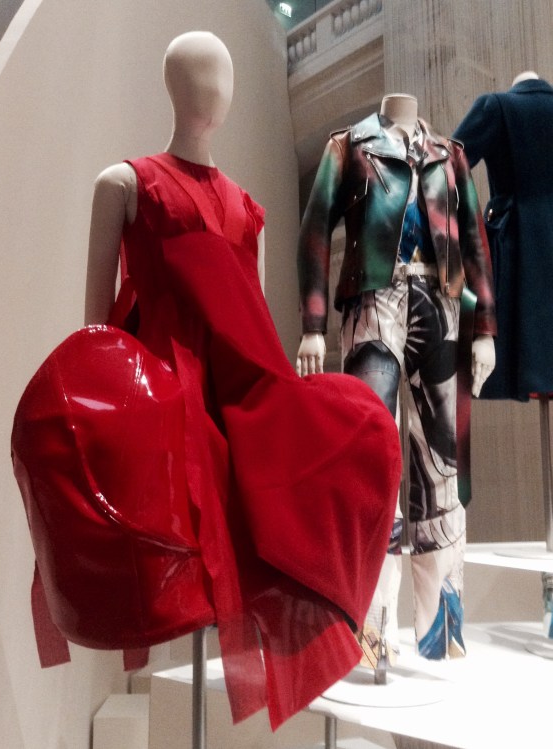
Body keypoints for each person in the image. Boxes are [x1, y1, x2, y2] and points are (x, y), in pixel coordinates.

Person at [84, 32, 401, 727]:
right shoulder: (126, 184)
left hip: (239, 397)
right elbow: (94, 333)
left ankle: (352, 617)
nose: (214, 88)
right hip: (161, 394)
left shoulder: (246, 207)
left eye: (221, 76)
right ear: (173, 85)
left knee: (364, 427)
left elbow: (252, 321)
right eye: (201, 74)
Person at [297, 93, 496, 664]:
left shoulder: (448, 155)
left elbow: (474, 242)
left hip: (442, 306)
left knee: (441, 465)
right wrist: (313, 324)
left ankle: (440, 632)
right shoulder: (349, 146)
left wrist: (485, 327)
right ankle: (371, 631)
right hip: (372, 305)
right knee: (371, 461)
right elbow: (315, 232)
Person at [453, 71, 553, 401]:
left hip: (518, 247)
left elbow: (448, 164)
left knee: (524, 354)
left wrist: (471, 222)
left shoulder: (497, 107)